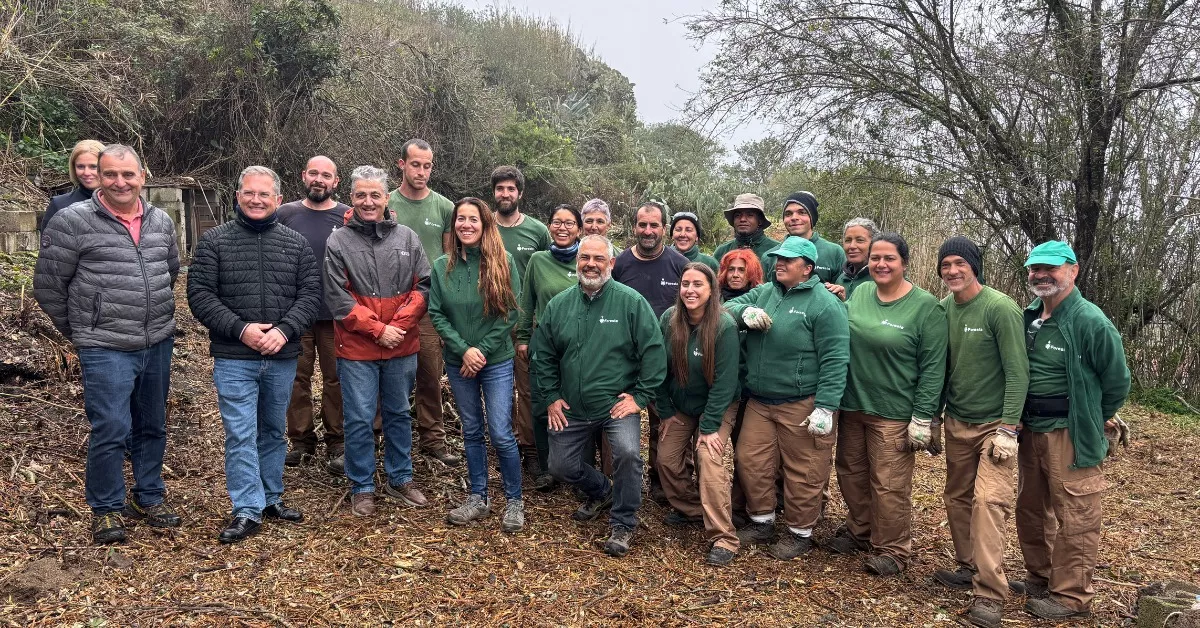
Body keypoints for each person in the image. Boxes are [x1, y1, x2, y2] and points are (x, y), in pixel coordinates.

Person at [34, 144, 182, 545]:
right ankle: (105, 507)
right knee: (112, 427)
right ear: (98, 176)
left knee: (152, 424)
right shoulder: (71, 221)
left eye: (128, 174)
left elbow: (169, 272)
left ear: (142, 177)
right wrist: (85, 330)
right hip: (104, 346)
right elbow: (48, 288)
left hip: (157, 340)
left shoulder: (161, 221)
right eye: (111, 174)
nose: (120, 182)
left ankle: (148, 496)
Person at [187, 166, 320, 543]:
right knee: (240, 433)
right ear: (238, 196)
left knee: (273, 432)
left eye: (264, 194)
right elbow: (200, 296)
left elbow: (310, 295)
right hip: (234, 356)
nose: (256, 200)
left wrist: (283, 330)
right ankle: (247, 507)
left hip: (281, 354)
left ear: (278, 199)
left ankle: (270, 497)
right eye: (249, 193)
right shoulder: (214, 241)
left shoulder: (295, 244)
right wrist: (242, 329)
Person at [1013, 241, 1130, 621]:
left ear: (1073, 271)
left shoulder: (1090, 322)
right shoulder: (1030, 316)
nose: (1040, 275)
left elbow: (1117, 382)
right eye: (1034, 269)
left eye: (1050, 268)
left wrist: (1093, 418)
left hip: (1070, 432)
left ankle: (1072, 596)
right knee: (1031, 506)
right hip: (1031, 429)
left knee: (1076, 514)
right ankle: (1041, 575)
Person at [532, 235, 666, 558]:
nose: (590, 264)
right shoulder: (560, 304)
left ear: (611, 264)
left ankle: (624, 521)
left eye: (598, 259)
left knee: (629, 454)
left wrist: (639, 396)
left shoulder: (630, 302)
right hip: (572, 406)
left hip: (615, 406)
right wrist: (551, 395)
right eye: (584, 258)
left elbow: (654, 352)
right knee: (560, 465)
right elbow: (544, 354)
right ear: (577, 262)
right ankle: (602, 490)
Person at [830, 231, 947, 576]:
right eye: (875, 258)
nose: (880, 264)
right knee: (850, 473)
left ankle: (893, 549)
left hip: (894, 412)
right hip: (853, 405)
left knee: (889, 483)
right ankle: (860, 530)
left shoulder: (926, 307)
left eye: (889, 258)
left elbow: (933, 367)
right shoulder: (862, 292)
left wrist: (925, 416)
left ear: (904, 264)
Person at [725, 236, 850, 560]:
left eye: (788, 260)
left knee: (804, 470)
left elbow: (836, 359)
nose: (779, 263)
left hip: (802, 402)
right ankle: (762, 520)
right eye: (778, 258)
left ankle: (799, 532)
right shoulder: (766, 292)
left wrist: (826, 407)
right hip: (761, 402)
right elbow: (726, 307)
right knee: (750, 461)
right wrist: (745, 312)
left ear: (807, 268)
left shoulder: (824, 304)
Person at [931, 237, 1029, 628]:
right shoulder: (942, 310)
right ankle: (968, 564)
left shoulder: (1000, 308)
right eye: (945, 265)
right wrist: (933, 418)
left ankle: (989, 593)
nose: (952, 271)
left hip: (994, 427)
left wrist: (1008, 428)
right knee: (957, 496)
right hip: (958, 420)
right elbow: (939, 368)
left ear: (975, 266)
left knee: (988, 502)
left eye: (960, 263)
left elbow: (1019, 371)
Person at [326, 166, 432, 516]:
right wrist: (377, 329)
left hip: (401, 344)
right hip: (357, 348)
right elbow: (338, 298)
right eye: (361, 195)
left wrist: (396, 327)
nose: (368, 202)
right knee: (358, 418)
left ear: (387, 198)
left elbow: (423, 287)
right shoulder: (338, 241)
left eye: (375, 195)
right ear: (352, 198)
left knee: (399, 413)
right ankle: (363, 485)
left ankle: (400, 477)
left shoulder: (407, 238)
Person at [429, 197, 525, 532]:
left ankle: (514, 500)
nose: (466, 225)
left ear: (485, 225)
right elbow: (436, 314)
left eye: (473, 219)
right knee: (471, 430)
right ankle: (478, 496)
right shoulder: (442, 267)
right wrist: (462, 349)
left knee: (499, 431)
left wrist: (480, 350)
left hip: (495, 360)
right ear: (454, 225)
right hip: (459, 363)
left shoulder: (503, 262)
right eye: (460, 219)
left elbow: (511, 312)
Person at [655, 263, 742, 566]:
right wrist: (665, 411)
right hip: (680, 404)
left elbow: (725, 381)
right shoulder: (669, 319)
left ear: (711, 290)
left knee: (708, 455)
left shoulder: (724, 326)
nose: (690, 290)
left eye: (698, 285)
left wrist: (709, 426)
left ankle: (724, 537)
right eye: (685, 284)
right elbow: (658, 369)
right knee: (666, 458)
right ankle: (693, 509)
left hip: (716, 405)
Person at [387, 139, 460, 467]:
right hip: (389, 303)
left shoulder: (444, 207)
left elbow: (448, 259)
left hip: (429, 304)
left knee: (430, 373)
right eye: (415, 164)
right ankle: (384, 434)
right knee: (388, 372)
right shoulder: (386, 203)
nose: (421, 171)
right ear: (401, 164)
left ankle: (433, 439)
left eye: (427, 165)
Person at [278, 156, 352, 474]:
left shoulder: (347, 215)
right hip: (295, 312)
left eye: (326, 175)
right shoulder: (285, 214)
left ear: (336, 182)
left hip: (336, 313)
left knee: (337, 378)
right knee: (297, 377)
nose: (319, 179)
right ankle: (302, 439)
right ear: (303, 176)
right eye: (314, 173)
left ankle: (338, 439)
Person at [612, 201, 688, 502]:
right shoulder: (620, 264)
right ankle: (615, 483)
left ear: (664, 229)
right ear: (634, 227)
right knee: (618, 415)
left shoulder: (679, 264)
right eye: (642, 225)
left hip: (668, 357)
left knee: (665, 421)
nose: (647, 231)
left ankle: (662, 482)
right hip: (624, 358)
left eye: (654, 225)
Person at [516, 204, 583, 490]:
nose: (562, 228)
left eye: (569, 223)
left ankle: (580, 469)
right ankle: (547, 468)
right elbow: (527, 300)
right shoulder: (538, 260)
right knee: (543, 406)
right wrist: (522, 337)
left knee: (577, 406)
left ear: (579, 229)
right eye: (557, 222)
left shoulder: (588, 258)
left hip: (581, 345)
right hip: (546, 344)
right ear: (549, 227)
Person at [490, 166, 551, 478]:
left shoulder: (538, 231)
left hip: (526, 323)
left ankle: (531, 450)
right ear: (494, 192)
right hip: (489, 321)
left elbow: (548, 271)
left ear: (520, 194)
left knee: (527, 390)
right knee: (495, 388)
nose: (505, 194)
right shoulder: (484, 226)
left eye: (510, 189)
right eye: (500, 188)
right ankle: (503, 446)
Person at [774, 191, 845, 283]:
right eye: (788, 214)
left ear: (812, 217)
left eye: (802, 212)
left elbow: (844, 291)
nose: (794, 217)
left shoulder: (834, 252)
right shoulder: (770, 256)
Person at [40, 139, 106, 236]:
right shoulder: (59, 205)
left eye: (93, 167)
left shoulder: (121, 203)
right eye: (80, 167)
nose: (86, 173)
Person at [712, 193, 781, 266]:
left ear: (760, 220)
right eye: (737, 215)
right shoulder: (722, 251)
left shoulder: (776, 250)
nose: (742, 219)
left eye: (750, 215)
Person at [829, 217, 878, 301]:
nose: (852, 246)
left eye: (860, 240)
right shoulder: (841, 279)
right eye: (848, 240)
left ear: (874, 244)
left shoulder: (880, 277)